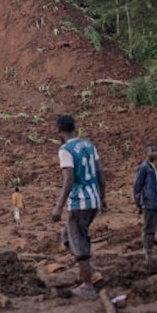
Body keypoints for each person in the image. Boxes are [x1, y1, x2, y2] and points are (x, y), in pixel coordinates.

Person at [50, 114, 106, 296]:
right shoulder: (89, 145)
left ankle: (87, 284)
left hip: (79, 202)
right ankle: (92, 272)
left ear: (58, 130)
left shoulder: (65, 150)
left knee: (79, 242)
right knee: (67, 238)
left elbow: (69, 178)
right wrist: (103, 197)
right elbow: (100, 172)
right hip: (94, 199)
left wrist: (59, 206)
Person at [132, 143, 157, 262]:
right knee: (148, 227)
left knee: (153, 227)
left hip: (154, 202)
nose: (154, 153)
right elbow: (136, 187)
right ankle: (147, 252)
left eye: (155, 150)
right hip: (148, 202)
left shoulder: (154, 167)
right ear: (146, 153)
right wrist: (138, 204)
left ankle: (149, 249)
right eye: (151, 151)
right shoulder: (144, 167)